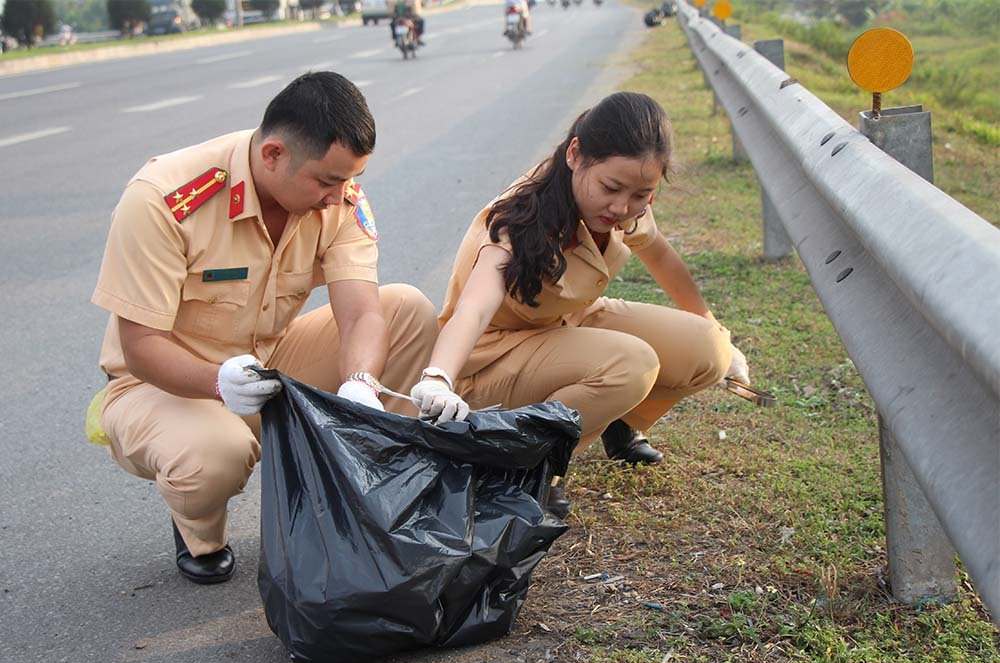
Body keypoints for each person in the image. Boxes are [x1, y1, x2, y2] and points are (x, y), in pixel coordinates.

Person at [91, 72, 438, 585]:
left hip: (266, 365)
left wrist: (362, 383)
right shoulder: (164, 199)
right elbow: (139, 347)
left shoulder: (337, 199)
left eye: (347, 180)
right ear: (273, 154)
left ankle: (364, 491)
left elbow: (363, 312)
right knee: (215, 455)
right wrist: (217, 382)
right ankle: (199, 529)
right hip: (163, 384)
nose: (336, 196)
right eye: (326, 181)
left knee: (406, 309)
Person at [409, 92, 749, 517]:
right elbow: (473, 309)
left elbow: (662, 256)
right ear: (575, 154)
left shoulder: (626, 206)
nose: (622, 207)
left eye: (642, 194)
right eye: (611, 188)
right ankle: (533, 470)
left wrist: (717, 328)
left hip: (566, 325)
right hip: (494, 356)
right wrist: (439, 377)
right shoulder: (519, 218)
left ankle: (624, 422)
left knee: (709, 348)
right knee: (631, 363)